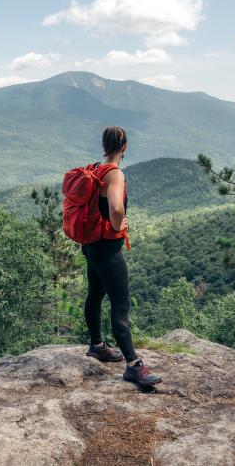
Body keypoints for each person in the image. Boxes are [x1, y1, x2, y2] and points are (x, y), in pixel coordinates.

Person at [82, 126, 162, 386]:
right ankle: (133, 365)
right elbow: (115, 208)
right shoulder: (114, 174)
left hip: (91, 245)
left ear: (103, 145)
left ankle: (96, 345)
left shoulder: (95, 168)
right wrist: (120, 226)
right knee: (120, 307)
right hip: (108, 248)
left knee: (94, 295)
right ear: (124, 147)